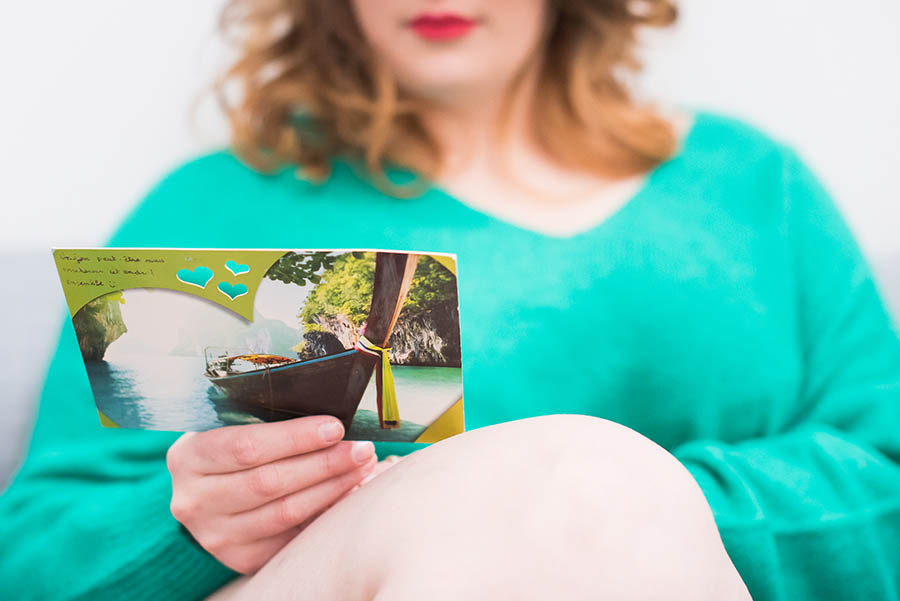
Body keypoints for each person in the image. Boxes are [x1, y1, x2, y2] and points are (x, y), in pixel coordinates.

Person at [2, 1, 899, 600]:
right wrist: (187, 526)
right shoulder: (205, 207)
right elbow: (30, 554)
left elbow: (886, 485)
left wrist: (609, 507)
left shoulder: (750, 187)